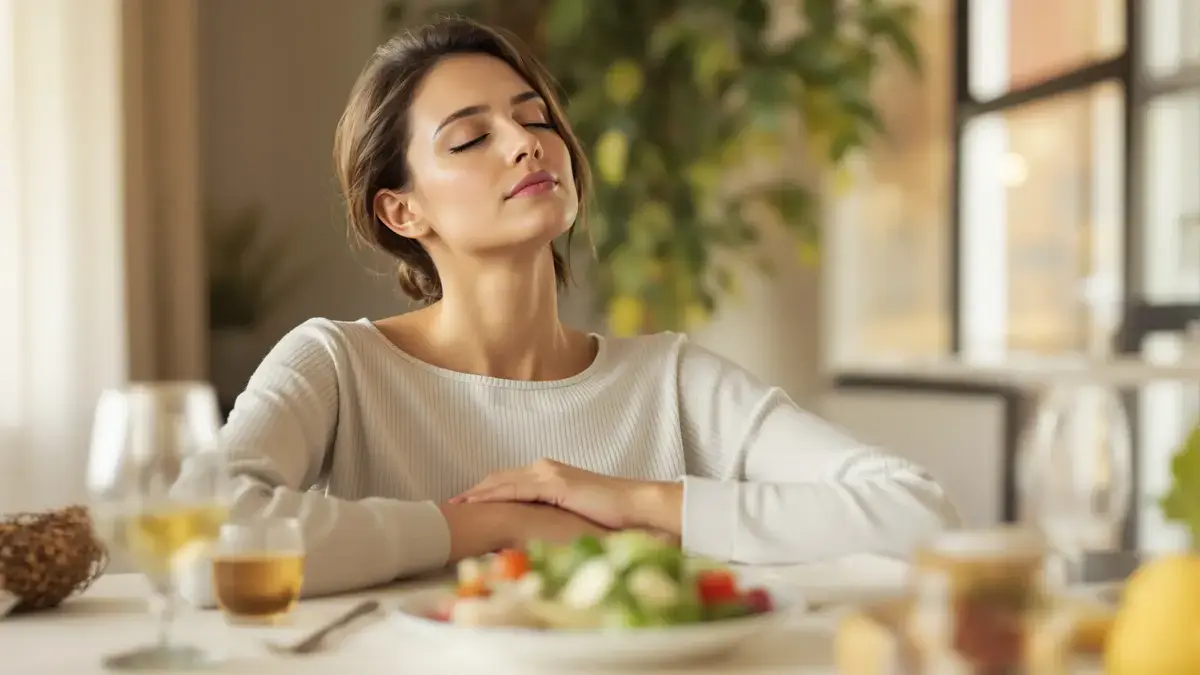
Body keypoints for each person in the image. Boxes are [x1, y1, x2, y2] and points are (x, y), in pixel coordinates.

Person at [220, 16, 959, 598]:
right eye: (472, 136)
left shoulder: (670, 379)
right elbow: (211, 532)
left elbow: (920, 512)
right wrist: (489, 524)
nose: (525, 143)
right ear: (403, 211)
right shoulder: (336, 365)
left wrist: (638, 503)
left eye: (535, 118)